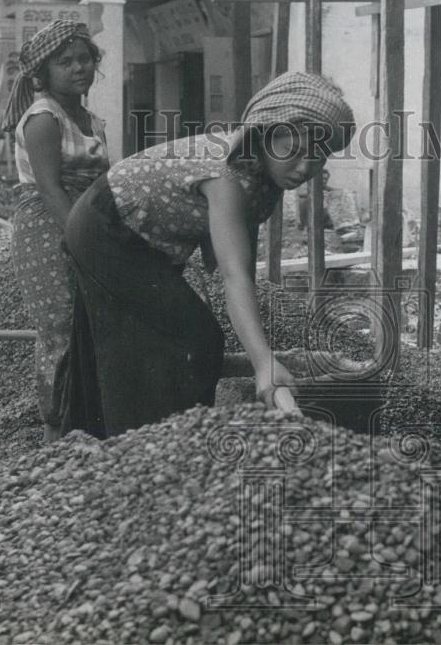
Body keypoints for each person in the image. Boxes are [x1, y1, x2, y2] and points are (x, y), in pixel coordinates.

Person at [56, 72, 355, 438]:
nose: (305, 168)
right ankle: (158, 442)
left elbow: (230, 256)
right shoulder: (227, 175)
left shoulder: (262, 176)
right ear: (262, 136)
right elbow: (235, 275)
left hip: (138, 238)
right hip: (106, 228)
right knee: (189, 338)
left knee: (164, 333)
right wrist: (263, 362)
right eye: (293, 152)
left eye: (318, 157)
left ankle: (126, 437)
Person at [1, 20, 110, 443]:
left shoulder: (92, 121)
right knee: (61, 326)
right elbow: (50, 188)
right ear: (42, 74)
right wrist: (85, 241)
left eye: (84, 58)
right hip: (49, 228)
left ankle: (88, 427)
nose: (78, 68)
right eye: (65, 62)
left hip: (85, 220)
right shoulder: (44, 118)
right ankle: (54, 432)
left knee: (92, 324)